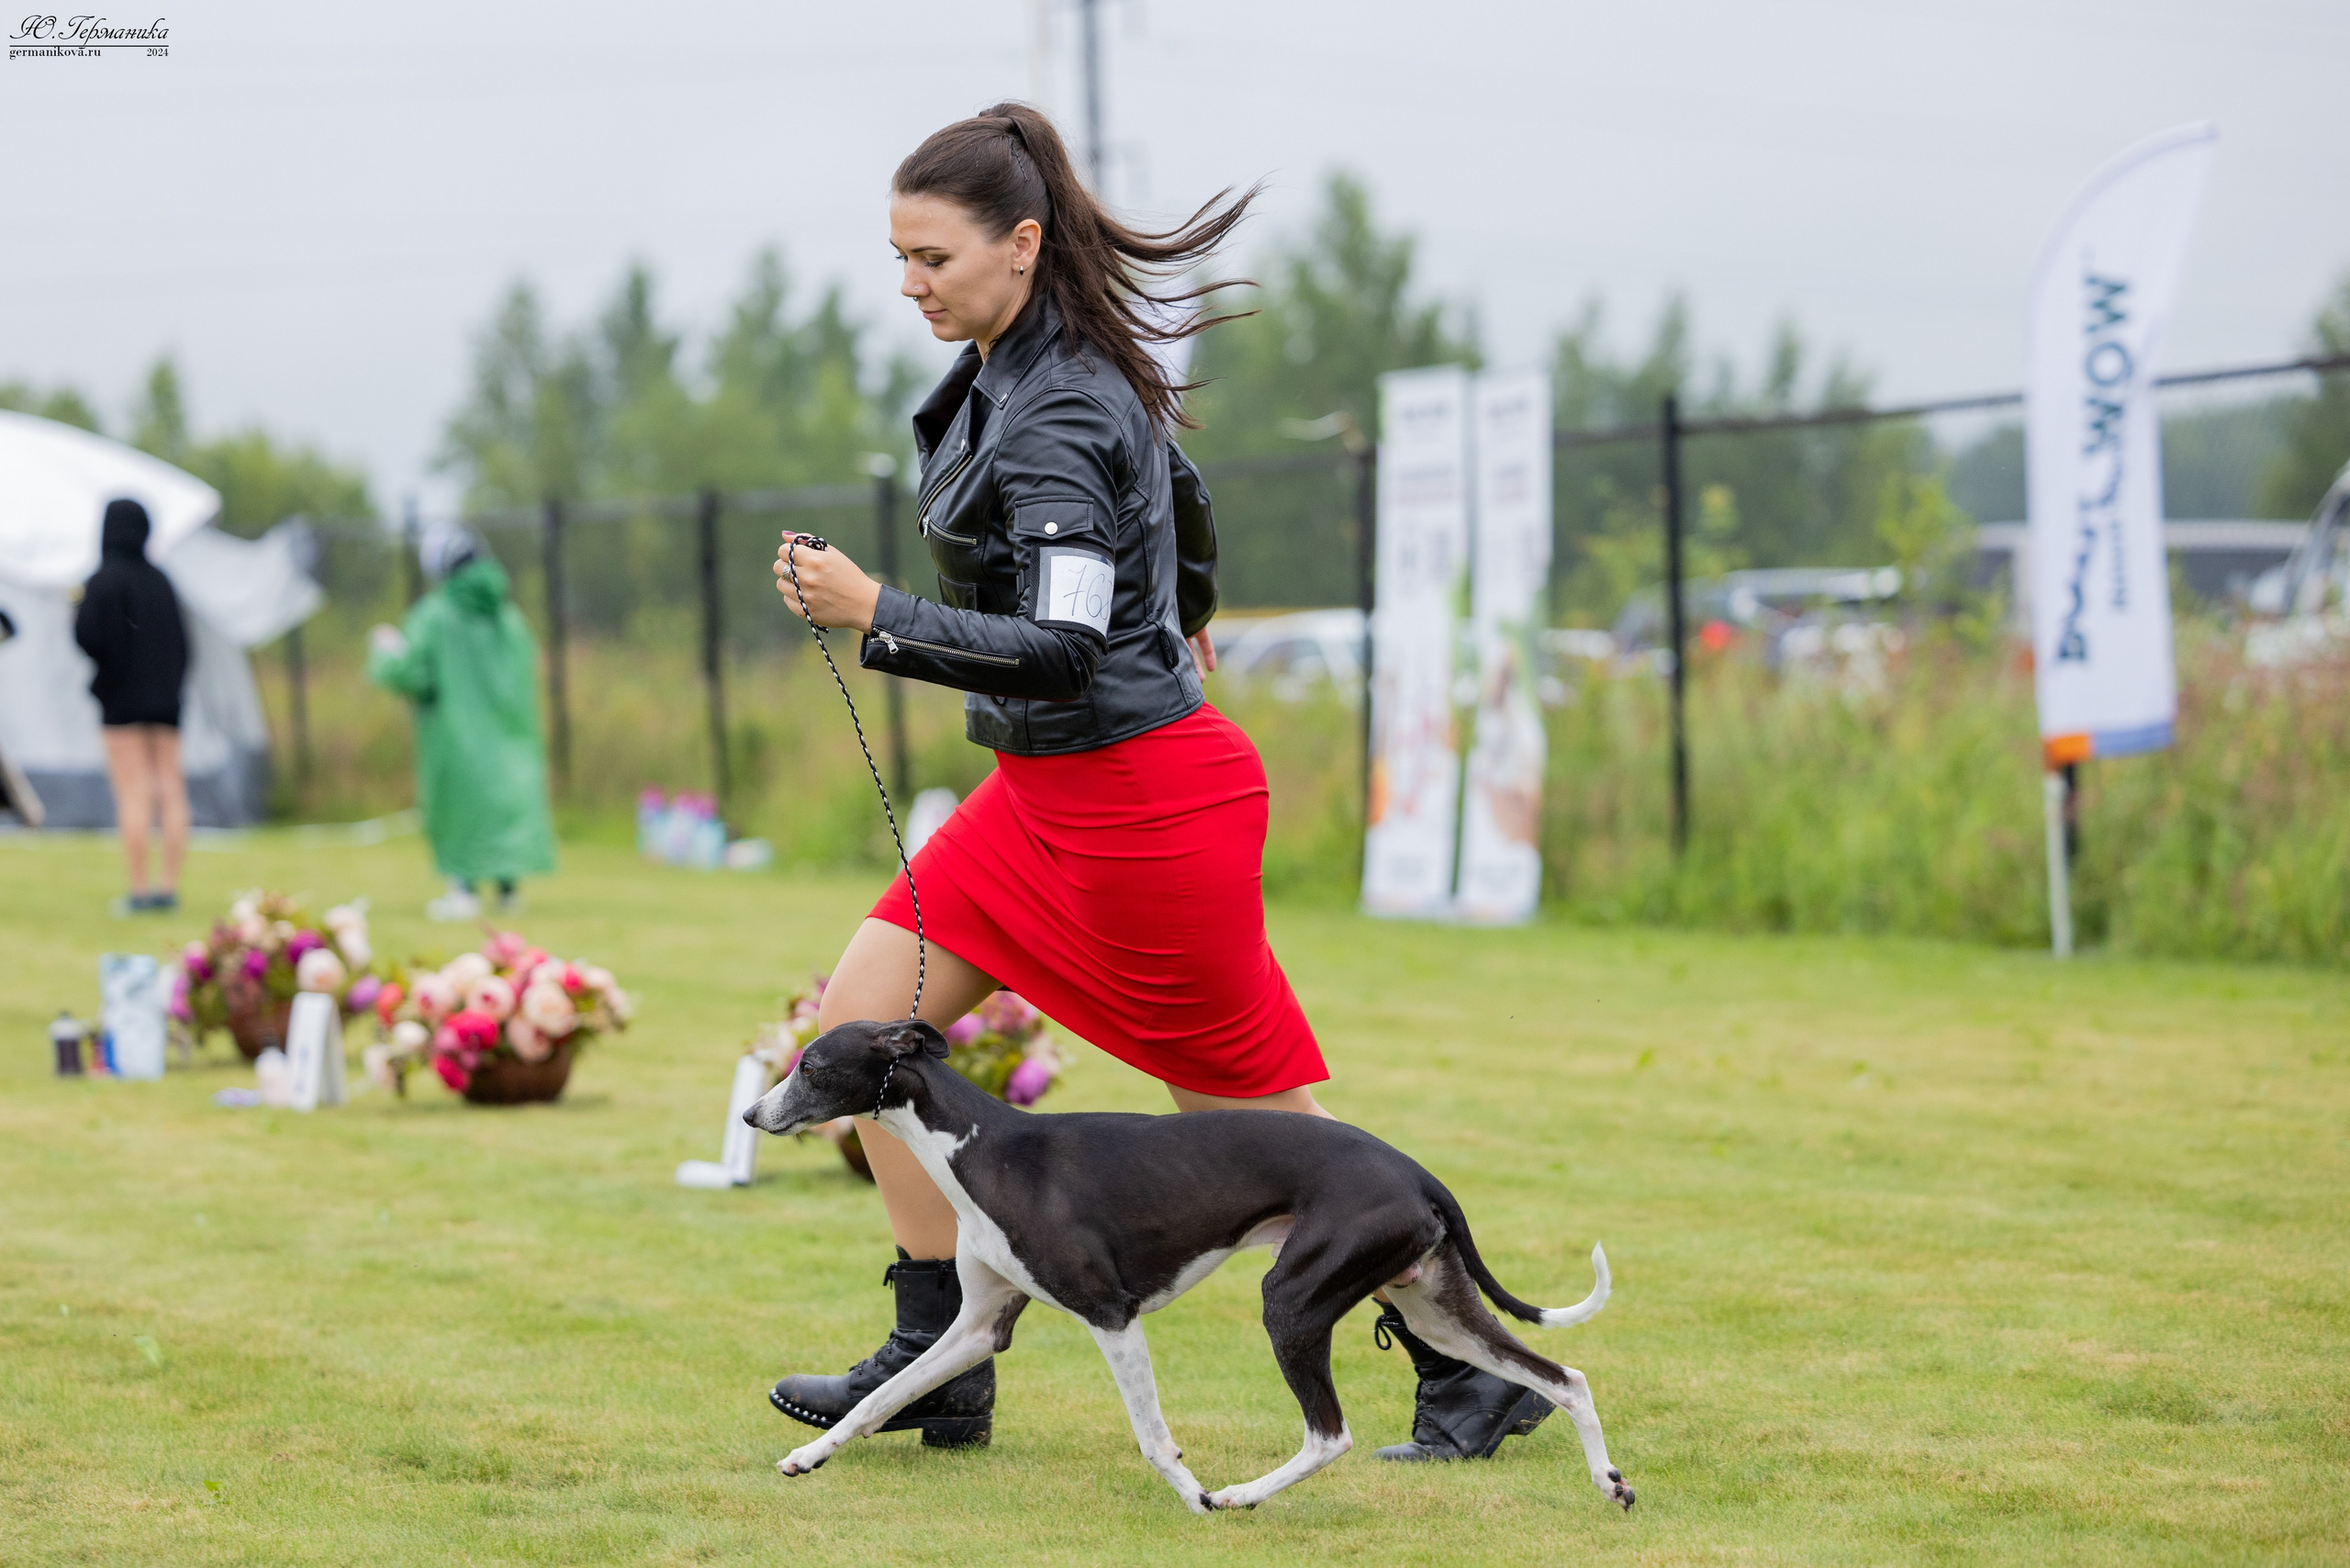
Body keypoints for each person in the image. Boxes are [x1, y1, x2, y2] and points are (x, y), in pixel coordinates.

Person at [762, 104, 1550, 1466]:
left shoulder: (1061, 394)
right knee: (861, 1019)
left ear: (1020, 244)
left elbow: (1068, 643)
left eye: (931, 258)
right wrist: (1182, 612)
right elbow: (1181, 516)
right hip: (1042, 798)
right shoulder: (1017, 365)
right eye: (897, 258)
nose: (909, 286)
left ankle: (1470, 1361)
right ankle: (938, 1356)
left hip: (1139, 810)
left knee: (1256, 1136)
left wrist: (872, 609)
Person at [367, 521, 555, 920]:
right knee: (503, 807)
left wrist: (384, 649)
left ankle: (463, 890)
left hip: (456, 736)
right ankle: (507, 891)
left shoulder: (436, 616)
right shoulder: (510, 617)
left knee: (460, 809)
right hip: (509, 735)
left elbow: (409, 672)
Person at [73, 498, 189, 914]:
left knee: (133, 790)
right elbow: (183, 644)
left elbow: (87, 639)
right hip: (166, 702)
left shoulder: (102, 581)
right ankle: (168, 886)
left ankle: (139, 891)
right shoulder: (161, 581)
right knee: (170, 788)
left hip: (120, 701)